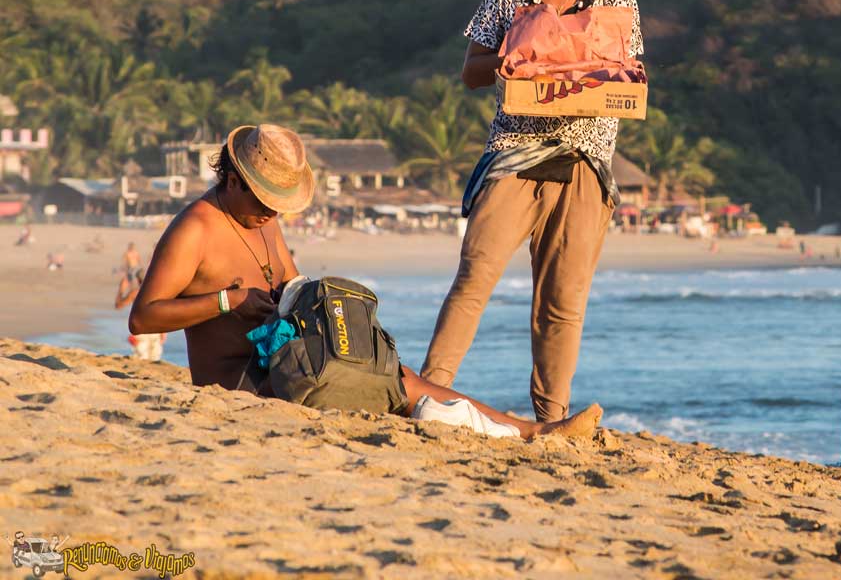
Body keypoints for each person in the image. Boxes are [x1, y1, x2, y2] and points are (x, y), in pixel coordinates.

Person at [129, 123, 600, 441]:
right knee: (390, 387)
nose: (272, 213)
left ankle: (530, 430)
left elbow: (293, 284)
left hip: (285, 363)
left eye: (279, 204)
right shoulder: (195, 228)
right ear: (232, 178)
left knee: (388, 371)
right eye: (264, 201)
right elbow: (144, 316)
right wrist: (227, 302)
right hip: (237, 386)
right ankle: (528, 432)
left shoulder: (262, 219)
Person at [420, 0, 642, 423]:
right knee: (475, 277)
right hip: (514, 154)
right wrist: (510, 59)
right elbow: (470, 73)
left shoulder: (618, 0)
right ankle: (426, 395)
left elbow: (632, 78)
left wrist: (579, 70)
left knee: (562, 303)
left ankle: (551, 420)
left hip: (586, 160)